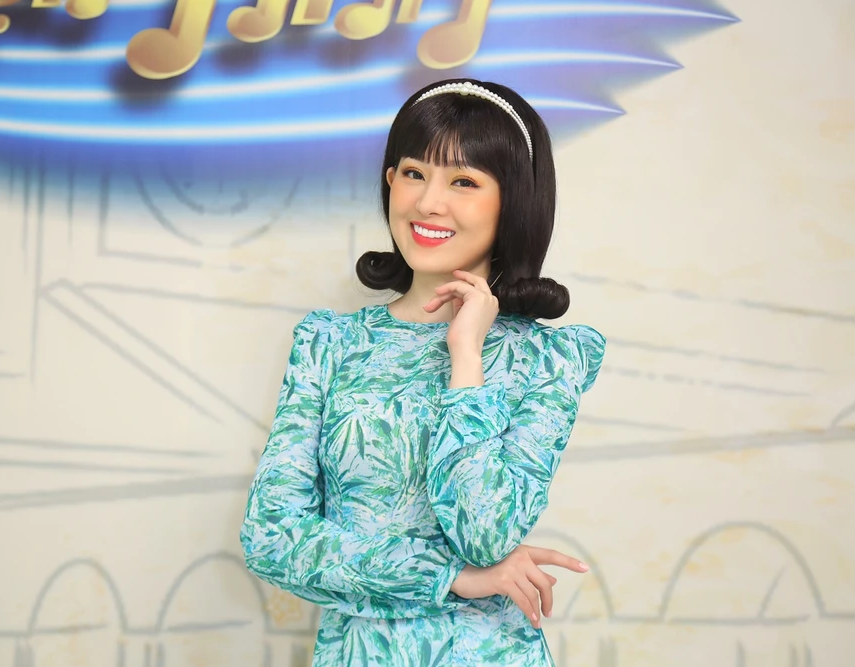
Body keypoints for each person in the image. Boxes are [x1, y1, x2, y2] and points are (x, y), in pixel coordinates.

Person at [240, 78, 606, 666]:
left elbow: (483, 533)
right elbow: (271, 538)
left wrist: (467, 356)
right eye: (414, 173)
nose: (429, 202)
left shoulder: (549, 360)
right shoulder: (331, 344)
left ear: (512, 201)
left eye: (463, 181)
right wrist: (450, 578)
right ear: (390, 181)